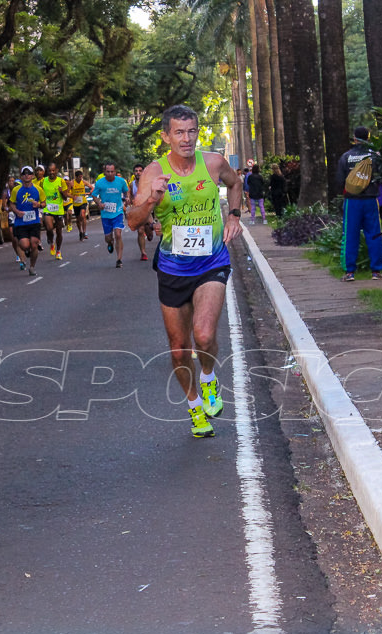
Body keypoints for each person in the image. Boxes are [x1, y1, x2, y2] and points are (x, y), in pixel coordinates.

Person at [129, 105, 244, 438]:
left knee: (204, 334)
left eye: (192, 131)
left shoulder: (213, 163)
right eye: (179, 132)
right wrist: (152, 201)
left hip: (211, 261)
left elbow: (235, 184)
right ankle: (195, 407)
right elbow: (133, 220)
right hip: (173, 267)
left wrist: (234, 215)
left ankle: (208, 378)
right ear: (165, 136)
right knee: (179, 349)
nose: (186, 138)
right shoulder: (153, 172)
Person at [335, 125, 382, 281]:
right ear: (368, 138)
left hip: (352, 201)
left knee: (350, 235)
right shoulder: (374, 156)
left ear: (354, 138)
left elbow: (339, 180)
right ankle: (376, 272)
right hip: (371, 199)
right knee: (375, 234)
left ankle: (349, 272)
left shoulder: (346, 157)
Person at [92, 162, 130, 268]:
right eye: (107, 172)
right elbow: (94, 195)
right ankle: (110, 243)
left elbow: (126, 193)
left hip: (118, 212)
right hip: (106, 214)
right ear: (105, 172)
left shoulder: (121, 181)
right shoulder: (100, 183)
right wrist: (99, 203)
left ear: (115, 171)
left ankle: (119, 259)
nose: (110, 174)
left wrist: (127, 199)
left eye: (112, 171)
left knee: (118, 234)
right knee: (108, 238)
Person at [10, 165, 46, 276]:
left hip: (34, 221)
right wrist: (17, 212)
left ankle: (32, 267)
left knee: (34, 244)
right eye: (24, 174)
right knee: (24, 245)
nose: (27, 176)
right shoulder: (16, 190)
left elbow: (44, 203)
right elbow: (11, 204)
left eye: (29, 173)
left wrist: (38, 204)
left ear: (32, 176)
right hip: (21, 222)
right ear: (21, 176)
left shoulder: (38, 189)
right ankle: (26, 251)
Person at [40, 163, 69, 260]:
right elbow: (40, 193)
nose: (52, 172)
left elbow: (65, 198)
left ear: (57, 170)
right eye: (50, 171)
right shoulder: (43, 181)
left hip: (59, 210)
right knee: (49, 228)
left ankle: (58, 251)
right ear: (47, 171)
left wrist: (61, 192)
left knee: (59, 232)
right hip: (47, 208)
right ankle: (51, 241)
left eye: (53, 170)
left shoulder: (61, 181)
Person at [1, 174, 28, 269]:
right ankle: (20, 257)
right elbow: (4, 205)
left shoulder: (24, 193)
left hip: (23, 216)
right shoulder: (7, 192)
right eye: (12, 182)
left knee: (24, 238)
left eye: (16, 183)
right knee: (14, 238)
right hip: (12, 216)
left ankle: (26, 251)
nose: (13, 184)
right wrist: (8, 208)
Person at [129, 163, 154, 261]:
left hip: (148, 211)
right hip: (138, 211)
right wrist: (130, 201)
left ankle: (149, 234)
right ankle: (143, 253)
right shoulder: (132, 184)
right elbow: (131, 196)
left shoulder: (149, 183)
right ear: (134, 173)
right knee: (140, 231)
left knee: (150, 234)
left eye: (140, 171)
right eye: (136, 171)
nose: (138, 173)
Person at [70, 170, 93, 240]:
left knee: (83, 215)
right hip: (76, 203)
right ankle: (80, 231)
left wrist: (89, 193)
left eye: (81, 177)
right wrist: (72, 196)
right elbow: (67, 191)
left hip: (83, 201)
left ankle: (84, 232)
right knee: (78, 219)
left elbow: (91, 187)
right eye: (79, 177)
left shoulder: (83, 182)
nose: (81, 178)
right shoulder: (72, 183)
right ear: (76, 177)